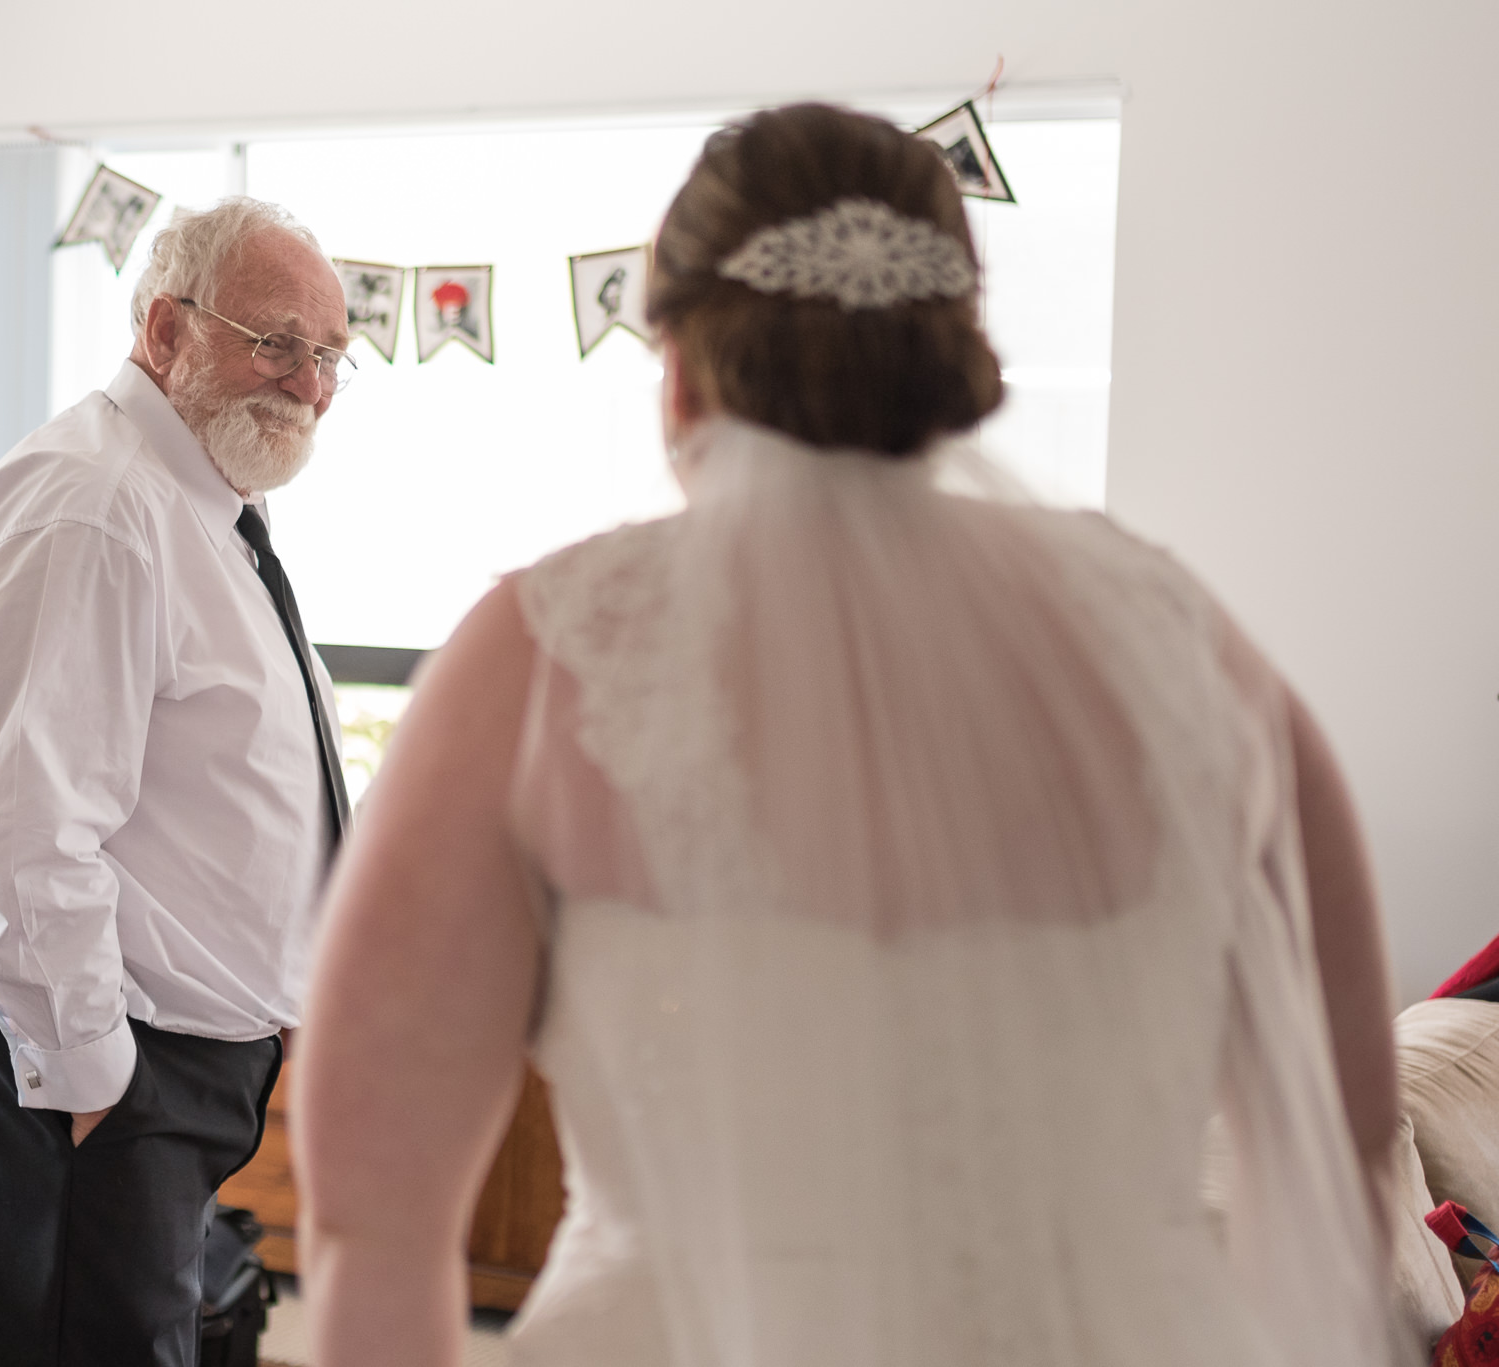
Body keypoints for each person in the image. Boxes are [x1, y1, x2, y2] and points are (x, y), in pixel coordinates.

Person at [295, 104, 1406, 1367]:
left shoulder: (547, 653)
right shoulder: (1192, 647)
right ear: (954, 342)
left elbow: (369, 1220)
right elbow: (1350, 1152)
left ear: (677, 365)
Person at [0, 197, 354, 1367]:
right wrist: (95, 1078)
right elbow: (21, 824)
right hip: (88, 1061)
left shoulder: (202, 500)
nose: (308, 384)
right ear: (165, 331)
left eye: (329, 355)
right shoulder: (94, 506)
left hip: (156, 1065)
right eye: (276, 342)